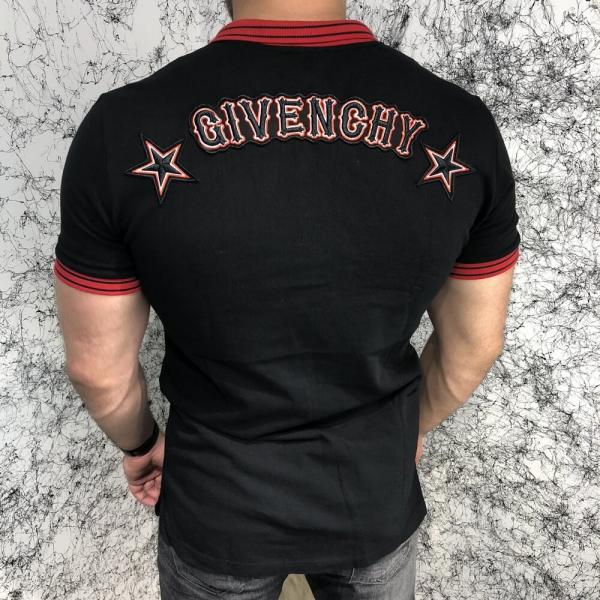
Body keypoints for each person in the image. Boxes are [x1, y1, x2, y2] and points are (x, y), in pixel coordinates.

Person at [52, 0, 521, 597]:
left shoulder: (121, 128)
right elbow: (474, 347)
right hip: (372, 496)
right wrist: (404, 430)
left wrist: (141, 444)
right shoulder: (462, 125)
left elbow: (98, 371)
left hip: (217, 506)